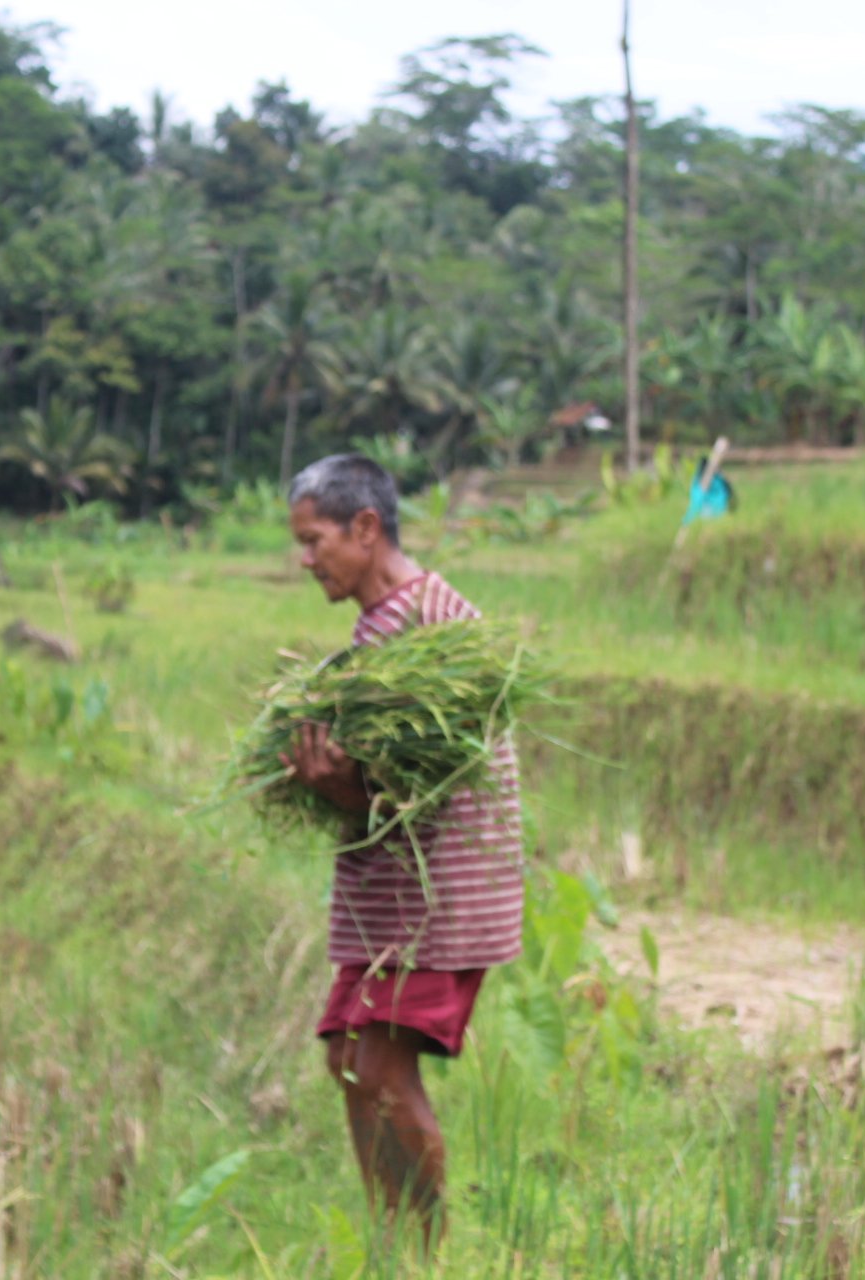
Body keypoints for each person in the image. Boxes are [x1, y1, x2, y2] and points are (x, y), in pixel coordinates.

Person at [280, 454, 525, 1249]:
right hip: (390, 890)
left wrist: (343, 790)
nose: (305, 559)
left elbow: (428, 793)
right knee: (349, 1060)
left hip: (438, 895)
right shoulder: (382, 627)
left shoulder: (431, 627)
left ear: (365, 527)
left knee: (383, 1071)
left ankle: (425, 1252)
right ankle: (393, 1240)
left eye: (314, 540)